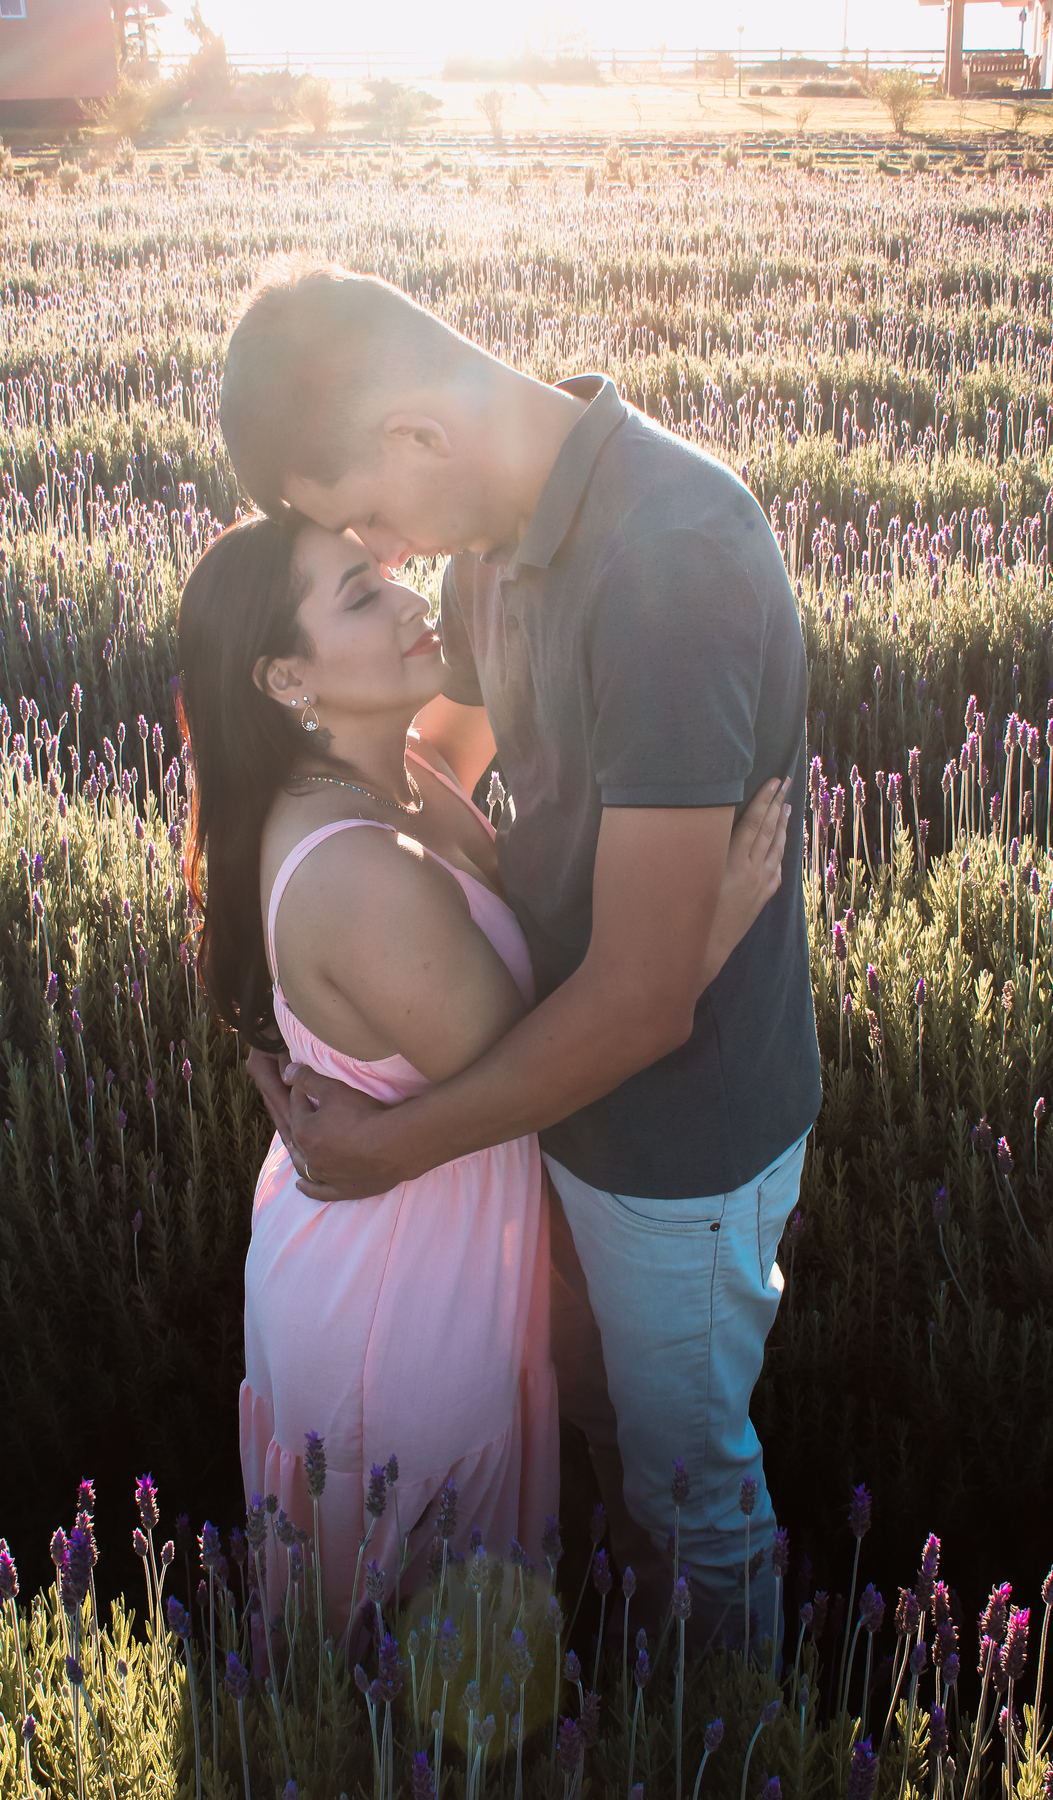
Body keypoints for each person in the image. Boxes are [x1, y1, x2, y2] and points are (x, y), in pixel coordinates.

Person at [220, 259, 822, 1649]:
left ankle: (734, 1730)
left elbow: (645, 1002)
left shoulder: (669, 556)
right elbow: (442, 759)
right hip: (549, 1099)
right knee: (608, 1431)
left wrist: (387, 1144)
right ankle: (635, 1682)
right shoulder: (492, 544)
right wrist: (312, 957)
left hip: (672, 1143)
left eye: (368, 523)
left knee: (689, 1492)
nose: (385, 556)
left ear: (415, 435)